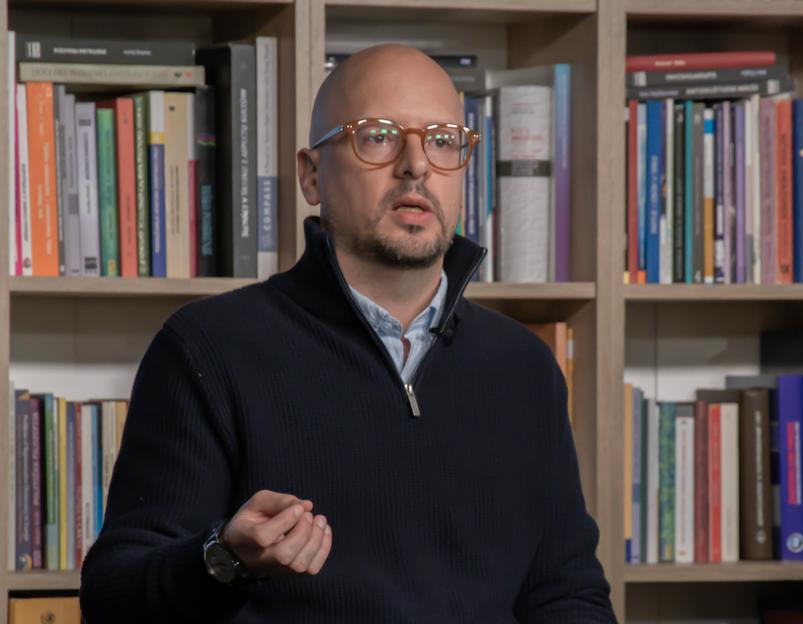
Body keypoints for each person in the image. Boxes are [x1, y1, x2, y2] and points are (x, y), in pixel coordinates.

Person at [79, 44, 617, 623]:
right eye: (378, 136)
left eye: (442, 141)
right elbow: (112, 601)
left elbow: (568, 596)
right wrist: (225, 560)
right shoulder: (207, 348)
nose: (416, 166)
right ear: (311, 175)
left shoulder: (524, 367)